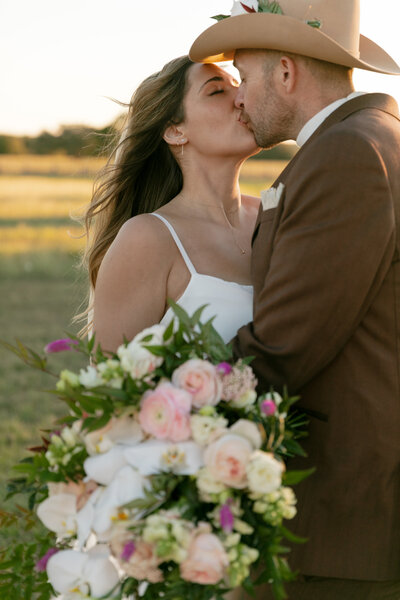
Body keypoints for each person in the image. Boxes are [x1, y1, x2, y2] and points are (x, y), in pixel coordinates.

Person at [190, 0, 400, 598]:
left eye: (248, 77)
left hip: (339, 520)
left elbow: (285, 345)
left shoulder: (347, 154)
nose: (241, 97)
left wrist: (166, 411)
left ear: (286, 73)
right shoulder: (374, 139)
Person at [83, 55, 260, 351]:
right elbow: (110, 386)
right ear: (175, 131)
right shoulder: (147, 239)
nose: (242, 98)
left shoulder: (273, 216)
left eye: (239, 84)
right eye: (217, 91)